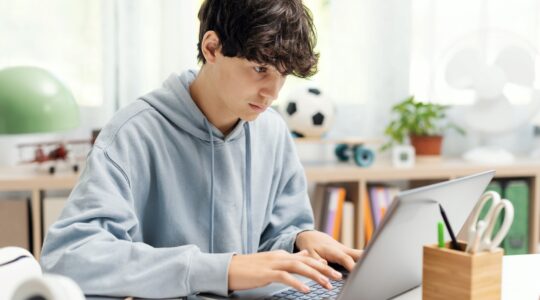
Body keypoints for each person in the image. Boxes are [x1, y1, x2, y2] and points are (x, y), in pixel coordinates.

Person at [40, 0, 362, 298]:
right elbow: (70, 258)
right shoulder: (133, 133)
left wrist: (300, 239)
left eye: (283, 76)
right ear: (212, 48)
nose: (271, 94)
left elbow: (274, 236)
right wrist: (220, 269)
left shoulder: (272, 130)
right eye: (260, 69)